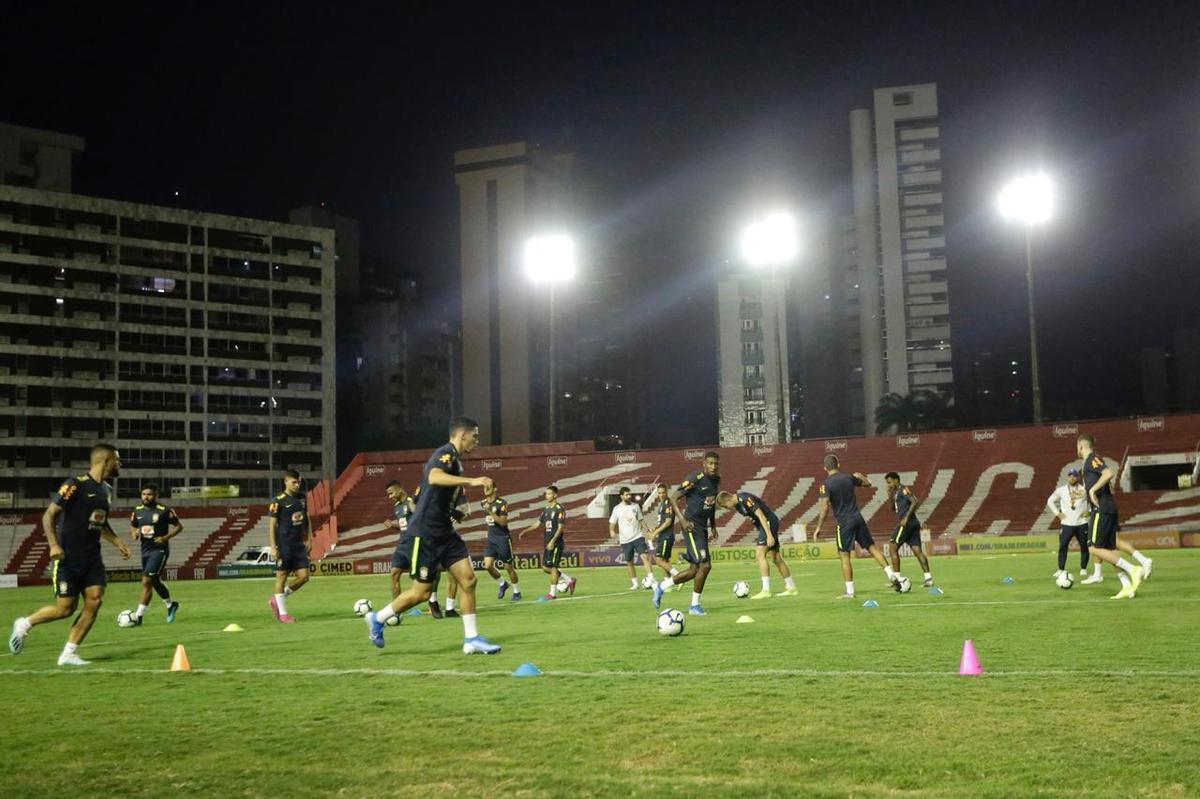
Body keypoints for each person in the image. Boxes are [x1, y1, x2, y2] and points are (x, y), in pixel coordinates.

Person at [365, 417, 501, 653]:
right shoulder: (445, 453)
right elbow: (434, 477)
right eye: (475, 436)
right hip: (426, 533)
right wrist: (473, 481)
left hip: (445, 532)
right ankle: (378, 618)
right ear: (462, 434)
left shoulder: (456, 461)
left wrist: (454, 511)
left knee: (468, 580)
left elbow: (435, 491)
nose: (477, 441)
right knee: (422, 593)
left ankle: (471, 640)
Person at [8, 443, 130, 666]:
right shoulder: (75, 485)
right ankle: (25, 623)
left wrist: (117, 542)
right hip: (69, 558)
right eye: (117, 460)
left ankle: (69, 653)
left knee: (95, 601)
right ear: (106, 461)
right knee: (65, 609)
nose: (119, 464)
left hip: (92, 558)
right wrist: (54, 545)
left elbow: (100, 522)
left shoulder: (107, 491)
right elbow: (48, 516)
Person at [813, 455, 905, 598]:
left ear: (825, 468)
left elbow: (824, 507)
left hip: (844, 523)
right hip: (858, 518)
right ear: (839, 464)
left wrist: (819, 527)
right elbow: (868, 484)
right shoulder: (849, 478)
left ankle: (850, 592)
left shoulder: (826, 484)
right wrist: (860, 475)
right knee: (872, 548)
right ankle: (891, 575)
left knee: (844, 556)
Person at [653, 451, 720, 615]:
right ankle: (694, 606)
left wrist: (713, 526)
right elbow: (674, 497)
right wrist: (682, 520)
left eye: (716, 463)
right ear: (704, 463)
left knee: (694, 570)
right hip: (691, 525)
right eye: (710, 463)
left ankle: (661, 587)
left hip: (703, 526)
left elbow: (710, 504)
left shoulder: (716, 480)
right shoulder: (694, 478)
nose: (713, 466)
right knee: (705, 565)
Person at [1077, 434, 1143, 599]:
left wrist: (1092, 490)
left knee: (1094, 548)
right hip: (1107, 507)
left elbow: (1108, 473)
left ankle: (1132, 569)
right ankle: (1127, 586)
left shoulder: (1092, 458)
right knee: (1110, 550)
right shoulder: (1087, 463)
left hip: (1102, 508)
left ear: (1081, 446)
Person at [715, 490, 798, 598]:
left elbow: (761, 516)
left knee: (760, 555)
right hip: (765, 526)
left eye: (725, 506)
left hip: (768, 523)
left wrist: (768, 535)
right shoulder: (738, 506)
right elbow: (754, 518)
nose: (727, 509)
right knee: (776, 558)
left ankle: (766, 590)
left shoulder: (745, 499)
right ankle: (791, 588)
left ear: (728, 499)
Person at [127, 483, 182, 625]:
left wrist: (165, 538)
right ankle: (171, 605)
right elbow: (133, 525)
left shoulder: (164, 510)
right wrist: (134, 533)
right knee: (155, 581)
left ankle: (138, 616)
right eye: (144, 494)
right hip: (145, 551)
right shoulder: (137, 510)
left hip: (160, 550)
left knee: (146, 581)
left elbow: (178, 526)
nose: (146, 497)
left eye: (149, 494)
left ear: (156, 495)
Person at [267, 469, 311, 623]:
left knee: (304, 577)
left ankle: (277, 599)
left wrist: (310, 538)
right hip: (284, 545)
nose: (297, 485)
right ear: (286, 482)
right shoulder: (277, 500)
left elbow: (307, 520)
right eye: (294, 482)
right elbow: (272, 524)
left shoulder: (302, 499)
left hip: (299, 545)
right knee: (281, 576)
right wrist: (273, 547)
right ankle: (283, 614)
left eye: (298, 482)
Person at [518, 485, 575, 600]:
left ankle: (552, 594)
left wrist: (553, 541)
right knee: (545, 567)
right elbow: (538, 524)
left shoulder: (560, 509)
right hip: (547, 542)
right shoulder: (546, 510)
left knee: (553, 567)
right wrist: (525, 531)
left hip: (556, 543)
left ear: (555, 495)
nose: (546, 496)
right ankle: (569, 580)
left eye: (549, 494)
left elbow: (560, 528)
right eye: (546, 494)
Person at [884, 472, 935, 588]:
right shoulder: (896, 492)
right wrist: (889, 495)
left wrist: (906, 518)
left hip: (907, 523)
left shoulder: (903, 489)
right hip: (913, 523)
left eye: (890, 482)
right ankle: (929, 578)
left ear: (896, 480)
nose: (889, 484)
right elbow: (892, 509)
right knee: (917, 550)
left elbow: (915, 501)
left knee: (892, 547)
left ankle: (897, 579)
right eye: (887, 483)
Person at [1046, 468, 1097, 583]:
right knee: (1063, 546)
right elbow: (1050, 501)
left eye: (1074, 475)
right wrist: (1058, 514)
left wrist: (1089, 511)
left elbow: (1094, 500)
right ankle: (1061, 569)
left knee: (1084, 546)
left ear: (1078, 477)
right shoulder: (1061, 490)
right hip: (1066, 523)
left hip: (1082, 523)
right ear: (1067, 477)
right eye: (1070, 475)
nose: (1072, 477)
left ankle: (1083, 568)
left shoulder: (1085, 489)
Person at [481, 482, 521, 601]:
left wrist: (491, 512)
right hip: (491, 540)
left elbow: (503, 523)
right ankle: (503, 583)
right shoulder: (483, 503)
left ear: (495, 489)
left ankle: (517, 591)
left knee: (508, 567)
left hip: (503, 539)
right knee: (488, 566)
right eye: (484, 487)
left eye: (488, 487)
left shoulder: (502, 503)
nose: (486, 489)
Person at [610, 486, 655, 590]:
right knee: (629, 561)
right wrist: (612, 531)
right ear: (621, 496)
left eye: (630, 494)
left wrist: (647, 530)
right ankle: (635, 583)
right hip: (625, 540)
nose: (629, 496)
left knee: (645, 557)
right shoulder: (616, 509)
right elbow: (612, 522)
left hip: (638, 536)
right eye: (626, 495)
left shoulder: (636, 506)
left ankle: (651, 579)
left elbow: (641, 520)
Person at [644, 483, 680, 585]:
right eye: (659, 493)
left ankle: (679, 576)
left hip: (666, 536)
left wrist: (655, 532)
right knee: (664, 561)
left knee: (658, 560)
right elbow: (663, 521)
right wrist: (655, 527)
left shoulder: (668, 503)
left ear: (667, 492)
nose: (661, 495)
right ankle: (667, 583)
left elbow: (668, 521)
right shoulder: (662, 504)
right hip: (663, 535)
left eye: (663, 492)